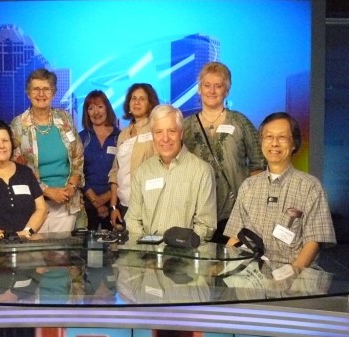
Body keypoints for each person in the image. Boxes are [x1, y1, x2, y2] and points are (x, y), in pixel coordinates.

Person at [224, 112, 336, 268]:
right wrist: (223, 269)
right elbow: (235, 237)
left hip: (293, 279)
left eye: (282, 137)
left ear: (294, 144)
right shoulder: (248, 186)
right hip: (250, 276)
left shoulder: (310, 186)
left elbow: (314, 241)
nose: (274, 143)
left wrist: (291, 276)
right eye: (268, 137)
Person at [183, 62, 264, 243]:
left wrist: (250, 199)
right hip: (197, 211)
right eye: (207, 85)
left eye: (218, 86)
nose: (212, 91)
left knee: (232, 266)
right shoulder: (186, 126)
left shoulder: (240, 122)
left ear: (226, 91)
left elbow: (258, 163)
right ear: (199, 89)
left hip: (235, 211)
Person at [125, 104, 217, 239]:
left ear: (181, 133)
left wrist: (179, 246)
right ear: (152, 135)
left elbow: (206, 226)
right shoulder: (142, 172)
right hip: (147, 256)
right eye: (159, 132)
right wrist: (146, 249)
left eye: (171, 131)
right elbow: (132, 219)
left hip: (184, 255)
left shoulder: (202, 172)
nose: (165, 138)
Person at [11, 68, 83, 233]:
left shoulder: (65, 119)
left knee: (62, 255)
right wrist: (47, 191)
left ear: (54, 92)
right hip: (34, 204)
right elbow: (17, 169)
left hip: (66, 202)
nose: (41, 94)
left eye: (46, 89)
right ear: (28, 93)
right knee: (36, 255)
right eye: (36, 89)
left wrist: (72, 186)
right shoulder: (18, 125)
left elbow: (78, 156)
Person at [109, 83, 160, 227]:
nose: (137, 102)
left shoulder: (156, 129)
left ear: (150, 103)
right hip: (124, 205)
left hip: (148, 205)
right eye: (133, 98)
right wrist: (113, 207)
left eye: (142, 99)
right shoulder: (123, 134)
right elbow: (115, 171)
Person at [78, 90, 120, 231]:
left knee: (114, 250)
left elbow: (124, 171)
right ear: (86, 113)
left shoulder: (120, 137)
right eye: (91, 108)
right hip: (87, 204)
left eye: (100, 107)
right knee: (88, 251)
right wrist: (96, 202)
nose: (96, 112)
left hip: (115, 203)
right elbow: (78, 172)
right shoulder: (81, 138)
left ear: (107, 108)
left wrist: (106, 198)